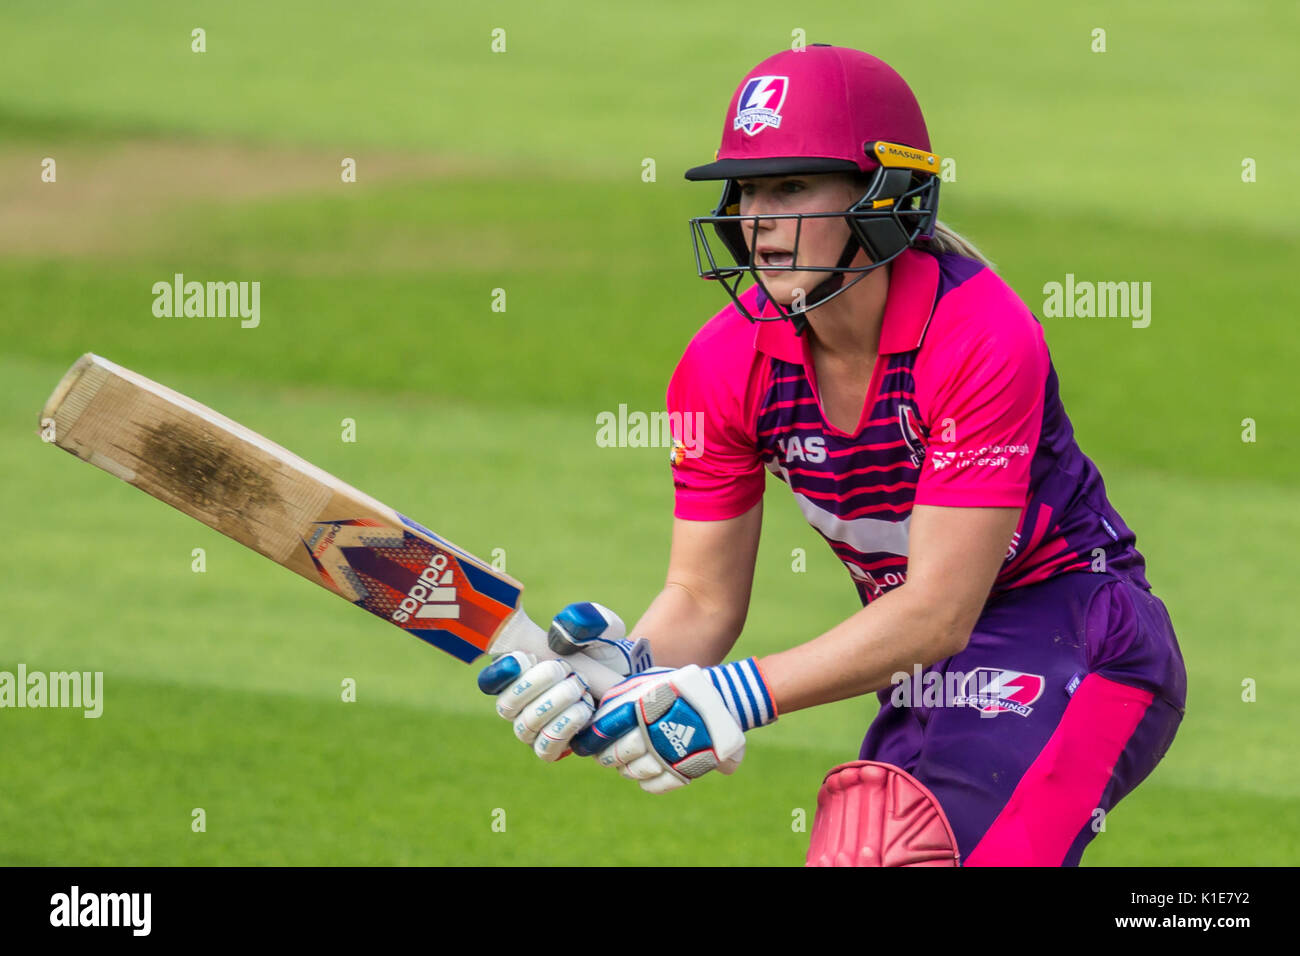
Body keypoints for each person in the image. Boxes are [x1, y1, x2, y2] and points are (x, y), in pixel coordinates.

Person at [478, 45, 1186, 866]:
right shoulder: (721, 364)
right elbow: (702, 597)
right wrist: (629, 674)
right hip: (920, 666)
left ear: (885, 197)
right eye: (747, 190)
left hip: (1078, 638)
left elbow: (938, 609)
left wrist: (733, 697)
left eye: (790, 186)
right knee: (868, 850)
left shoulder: (981, 336)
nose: (757, 218)